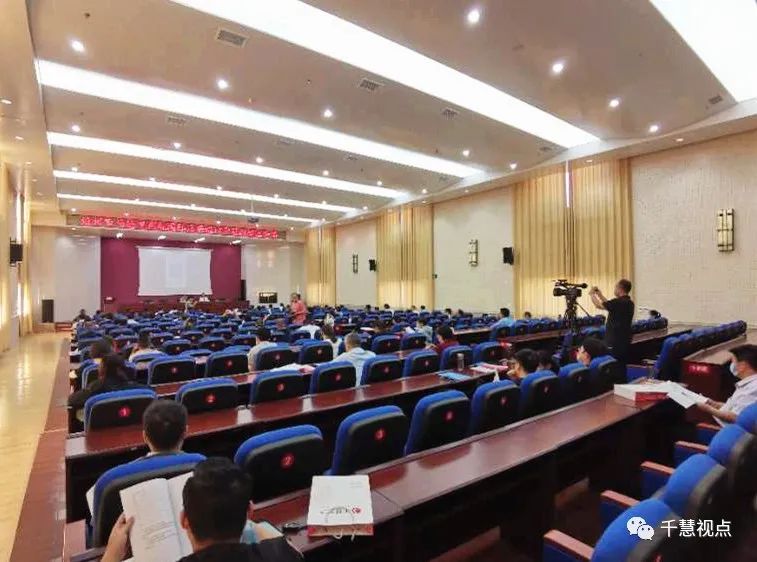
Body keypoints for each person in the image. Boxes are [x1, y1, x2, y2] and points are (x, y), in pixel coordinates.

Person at [101, 458, 301, 562]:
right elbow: (292, 550)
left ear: (184, 520)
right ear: (249, 512)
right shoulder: (278, 554)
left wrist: (110, 556)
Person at [695, 344, 757, 426]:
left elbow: (735, 418)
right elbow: (735, 408)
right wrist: (714, 404)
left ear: (742, 366)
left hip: (734, 432)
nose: (732, 365)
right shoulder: (749, 384)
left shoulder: (752, 389)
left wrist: (708, 409)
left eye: (733, 362)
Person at [68, 353, 145, 413]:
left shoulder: (96, 387)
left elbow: (72, 400)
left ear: (103, 369)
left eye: (100, 366)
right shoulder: (139, 390)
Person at [589, 279, 634, 365]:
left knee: (611, 364)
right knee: (621, 364)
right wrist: (599, 294)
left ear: (620, 288)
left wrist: (592, 294)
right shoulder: (630, 303)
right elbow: (609, 305)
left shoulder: (617, 302)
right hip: (625, 341)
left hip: (614, 341)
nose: (615, 289)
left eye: (616, 287)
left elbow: (598, 305)